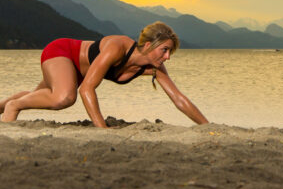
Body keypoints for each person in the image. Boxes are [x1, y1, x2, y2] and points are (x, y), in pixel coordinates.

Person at [0, 21, 208, 127]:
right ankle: (12, 107)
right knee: (64, 97)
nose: (167, 57)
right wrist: (102, 128)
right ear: (147, 45)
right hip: (62, 52)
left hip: (76, 71)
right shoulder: (117, 47)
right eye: (164, 50)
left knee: (40, 95)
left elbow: (179, 99)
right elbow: (87, 89)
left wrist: (207, 126)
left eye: (170, 51)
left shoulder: (154, 67)